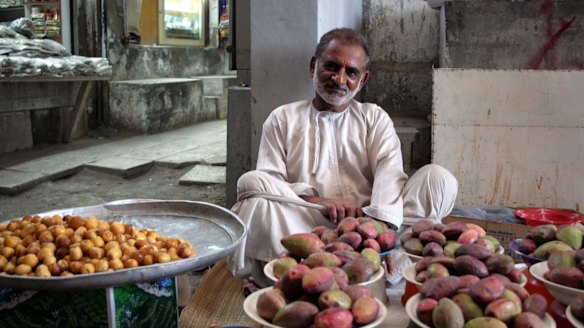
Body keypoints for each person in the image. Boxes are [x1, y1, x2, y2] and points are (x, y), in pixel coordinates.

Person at [226, 28, 458, 289]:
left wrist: (377, 230)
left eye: (351, 72)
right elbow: (270, 181)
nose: (339, 79)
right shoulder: (283, 118)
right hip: (308, 223)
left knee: (438, 179)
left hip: (370, 224)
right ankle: (326, 274)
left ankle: (377, 264)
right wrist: (319, 200)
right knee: (251, 183)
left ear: (363, 79)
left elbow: (390, 174)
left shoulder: (374, 118)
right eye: (332, 66)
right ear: (314, 65)